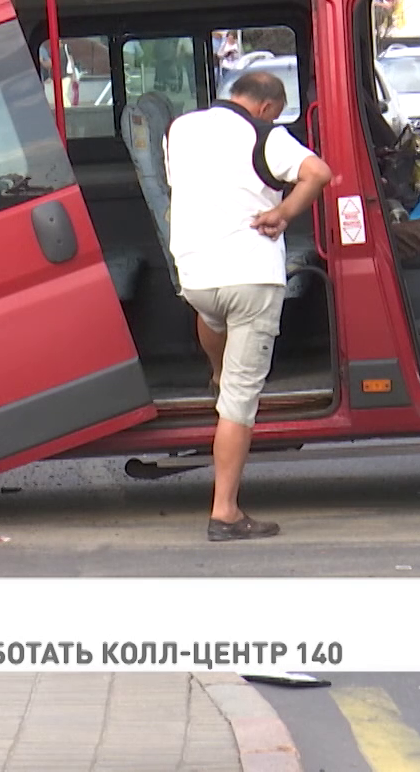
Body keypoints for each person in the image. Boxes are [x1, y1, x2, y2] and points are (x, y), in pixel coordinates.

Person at [165, 71, 332, 541]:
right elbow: (317, 173)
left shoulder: (180, 128)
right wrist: (282, 212)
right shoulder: (267, 135)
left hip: (197, 276)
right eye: (275, 113)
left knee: (212, 316)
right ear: (265, 107)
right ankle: (225, 513)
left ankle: (216, 369)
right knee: (238, 404)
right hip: (251, 278)